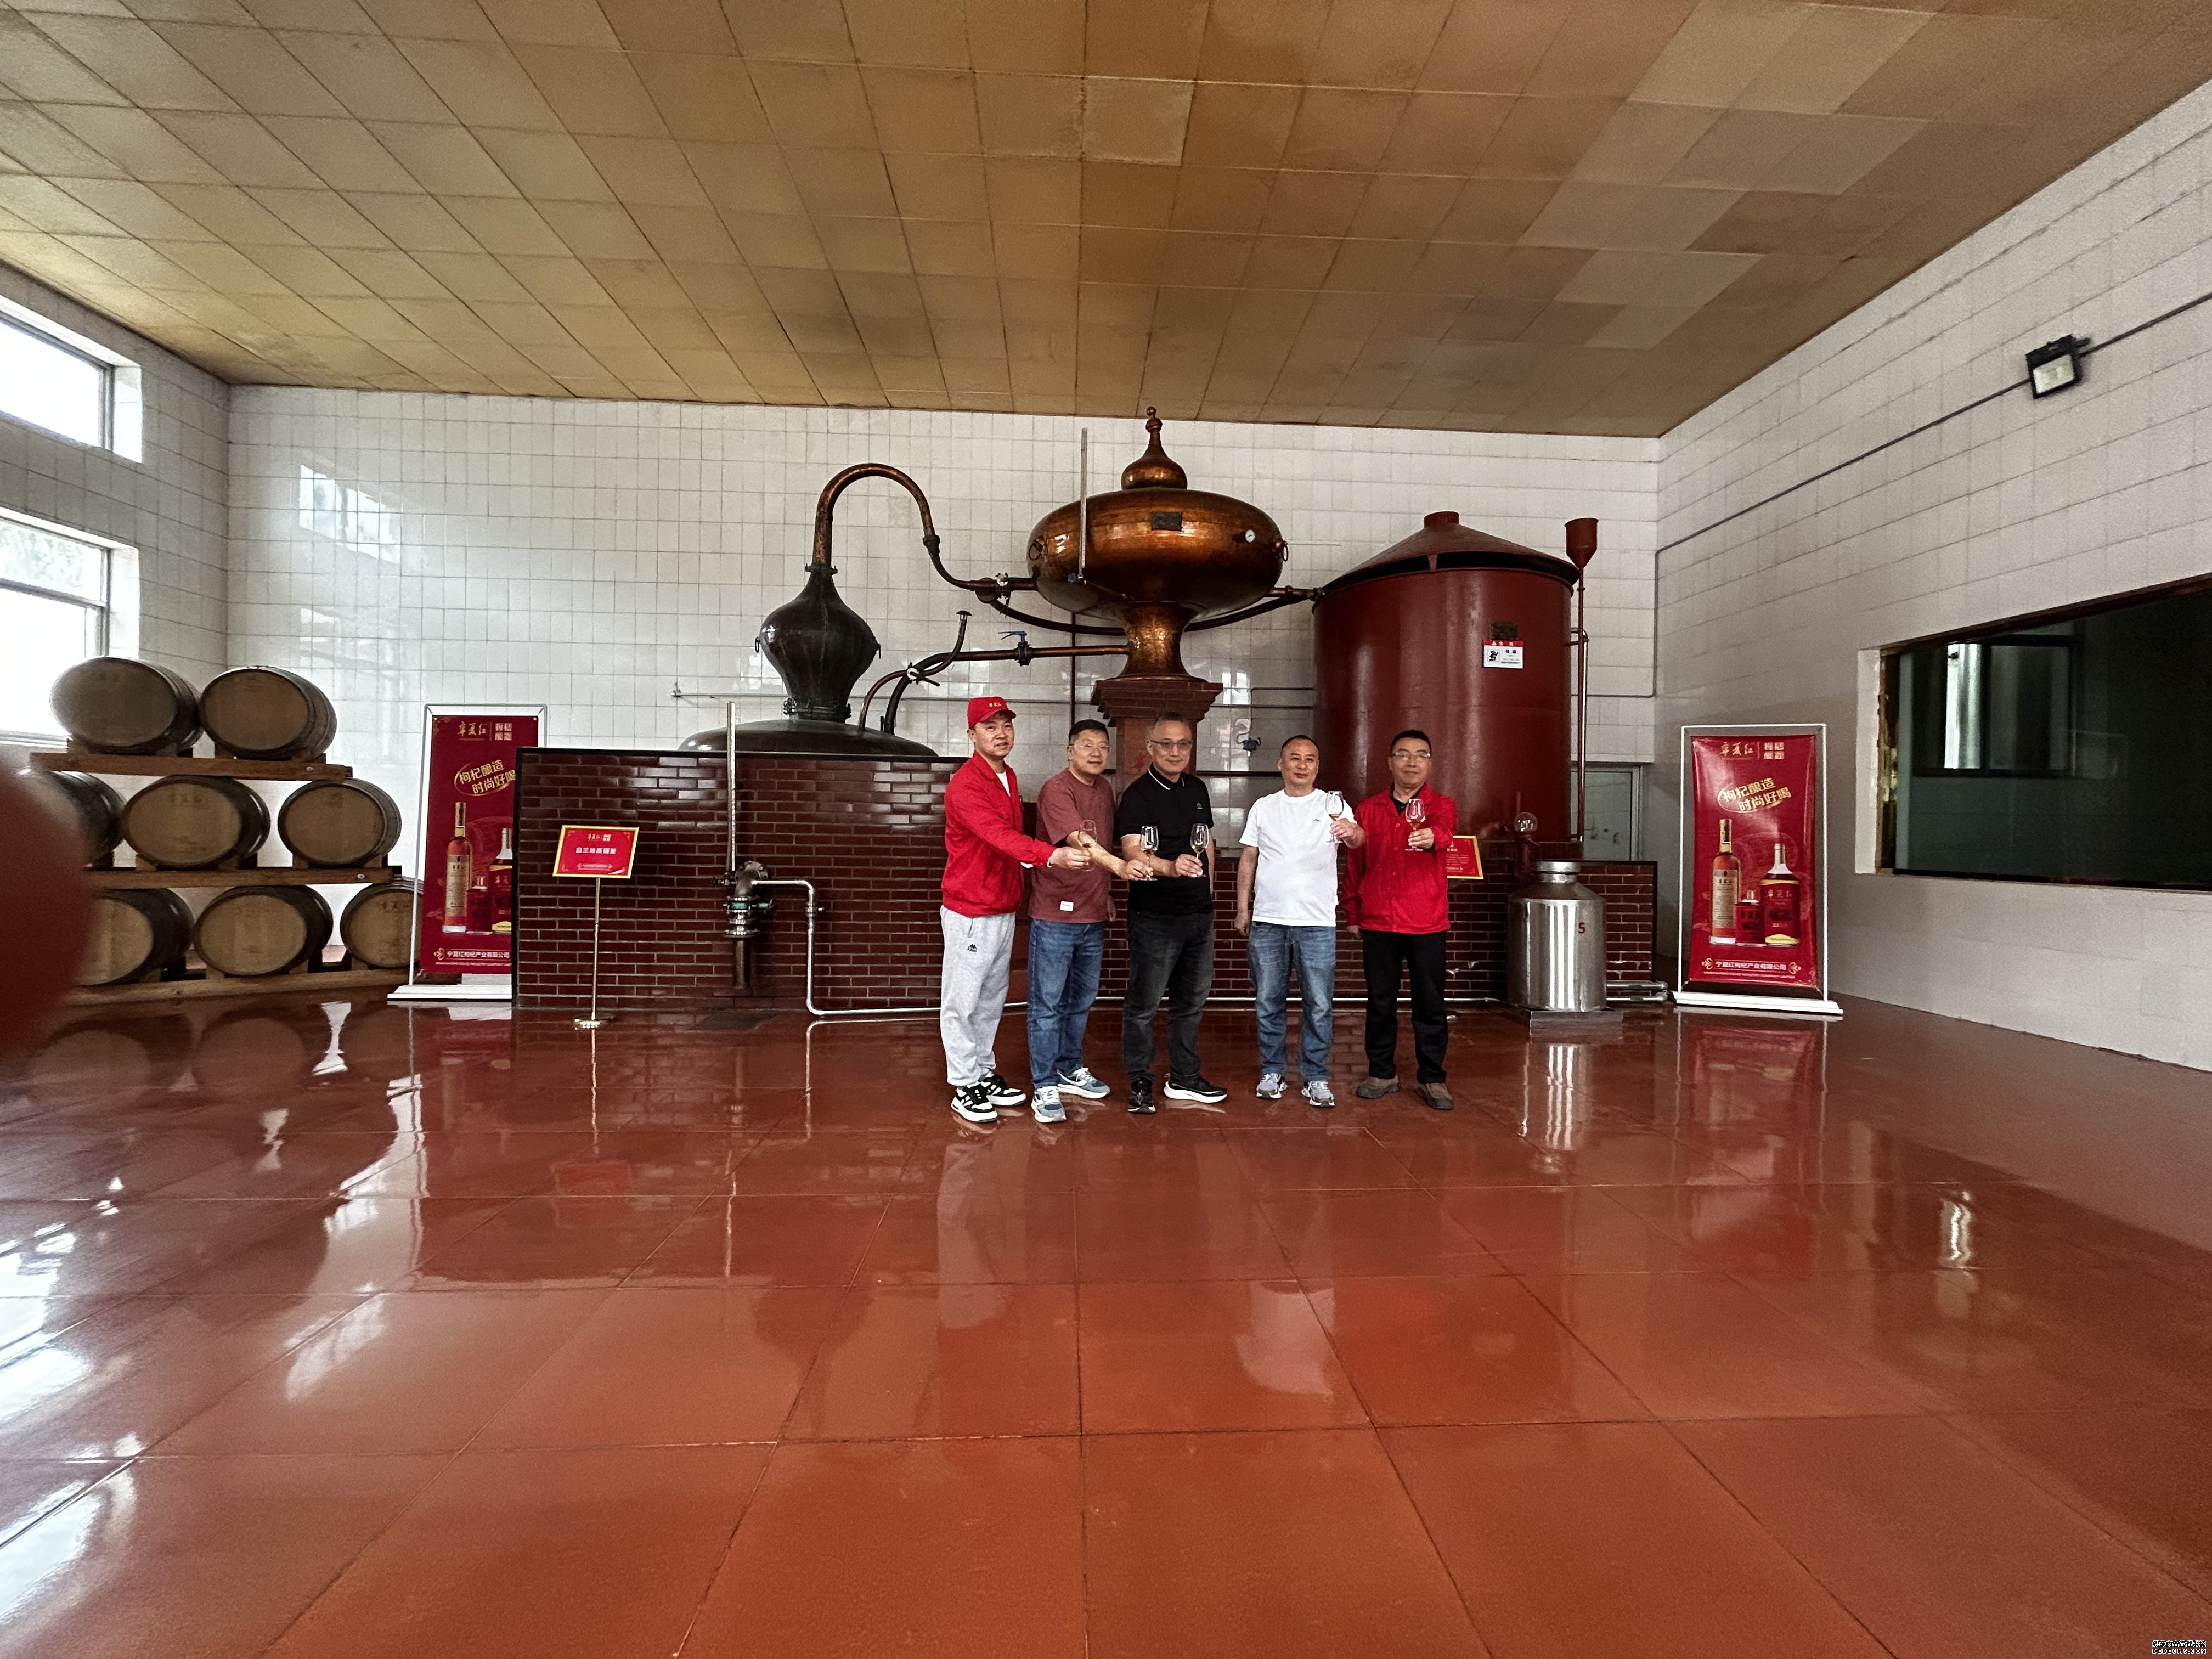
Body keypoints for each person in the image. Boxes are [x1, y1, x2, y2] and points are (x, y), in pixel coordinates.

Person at [940, 696, 1092, 1125]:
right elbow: (999, 836)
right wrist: (1052, 856)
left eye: (1006, 725)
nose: (1001, 734)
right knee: (963, 1001)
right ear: (972, 735)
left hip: (1001, 905)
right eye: (990, 727)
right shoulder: (966, 785)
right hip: (971, 909)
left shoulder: (1006, 775)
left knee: (991, 998)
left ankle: (983, 1072)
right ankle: (964, 1083)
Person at [1027, 718, 1143, 1123]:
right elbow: (1080, 838)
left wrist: (1106, 891)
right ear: (1069, 750)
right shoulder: (1056, 789)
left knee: (1080, 1000)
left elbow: (1104, 839)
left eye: (1103, 747)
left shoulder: (1105, 789)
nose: (1096, 753)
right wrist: (1119, 867)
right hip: (1055, 916)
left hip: (1092, 915)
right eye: (1087, 745)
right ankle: (1043, 1084)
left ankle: (1068, 1067)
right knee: (1047, 1004)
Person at [1236, 735, 1361, 1109]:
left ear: (1318, 767)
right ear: (1281, 764)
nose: (1302, 765)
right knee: (1268, 1001)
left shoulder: (1333, 805)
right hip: (1269, 920)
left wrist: (1352, 832)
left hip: (1317, 922)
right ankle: (1272, 1071)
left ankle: (1316, 1076)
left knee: (1319, 1004)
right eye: (1295, 758)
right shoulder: (1264, 807)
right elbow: (1249, 858)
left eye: (1310, 759)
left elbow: (1358, 840)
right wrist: (1243, 908)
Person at [1114, 713, 1228, 1115]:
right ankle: (1140, 1080)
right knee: (1143, 1005)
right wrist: (1170, 867)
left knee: (1190, 1003)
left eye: (1183, 744)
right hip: (1155, 917)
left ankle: (1183, 1077)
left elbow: (1206, 844)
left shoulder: (1197, 789)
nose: (1175, 751)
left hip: (1198, 916)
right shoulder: (1137, 795)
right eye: (1166, 744)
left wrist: (1208, 895)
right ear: (1151, 748)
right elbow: (1132, 851)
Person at [1344, 728, 1459, 1110]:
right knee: (1380, 1002)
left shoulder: (1441, 805)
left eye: (1421, 755)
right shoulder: (1368, 809)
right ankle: (1381, 1072)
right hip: (1378, 920)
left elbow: (1444, 830)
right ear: (1390, 762)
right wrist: (1353, 912)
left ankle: (1433, 1078)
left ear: (1430, 763)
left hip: (1426, 921)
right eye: (1404, 754)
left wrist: (1432, 837)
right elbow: (1355, 865)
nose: (1412, 762)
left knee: (1430, 1003)